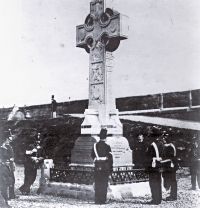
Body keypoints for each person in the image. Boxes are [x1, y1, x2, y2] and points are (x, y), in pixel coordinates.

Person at [91, 128, 113, 204]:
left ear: (99, 137)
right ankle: (102, 200)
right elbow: (110, 159)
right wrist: (110, 169)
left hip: (97, 166)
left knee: (97, 183)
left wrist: (97, 161)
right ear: (106, 137)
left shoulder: (95, 146)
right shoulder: (107, 146)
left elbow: (92, 155)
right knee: (104, 183)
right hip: (105, 167)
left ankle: (97, 200)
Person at [145, 126, 164, 205]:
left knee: (153, 182)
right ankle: (159, 199)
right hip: (159, 165)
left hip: (153, 165)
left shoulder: (152, 145)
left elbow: (148, 157)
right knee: (158, 181)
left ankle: (155, 199)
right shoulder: (161, 144)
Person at [161, 132, 178, 201]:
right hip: (168, 165)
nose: (163, 139)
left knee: (173, 180)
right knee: (170, 180)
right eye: (163, 137)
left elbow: (171, 158)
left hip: (171, 165)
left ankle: (173, 196)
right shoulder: (166, 146)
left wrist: (161, 161)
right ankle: (172, 195)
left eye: (165, 137)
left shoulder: (170, 146)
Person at [1, 132, 17, 199]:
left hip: (10, 165)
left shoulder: (9, 146)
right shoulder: (2, 147)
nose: (9, 140)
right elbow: (2, 156)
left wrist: (12, 161)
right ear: (5, 139)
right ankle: (5, 196)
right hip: (4, 165)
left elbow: (12, 154)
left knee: (12, 180)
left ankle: (12, 195)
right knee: (4, 180)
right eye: (8, 139)